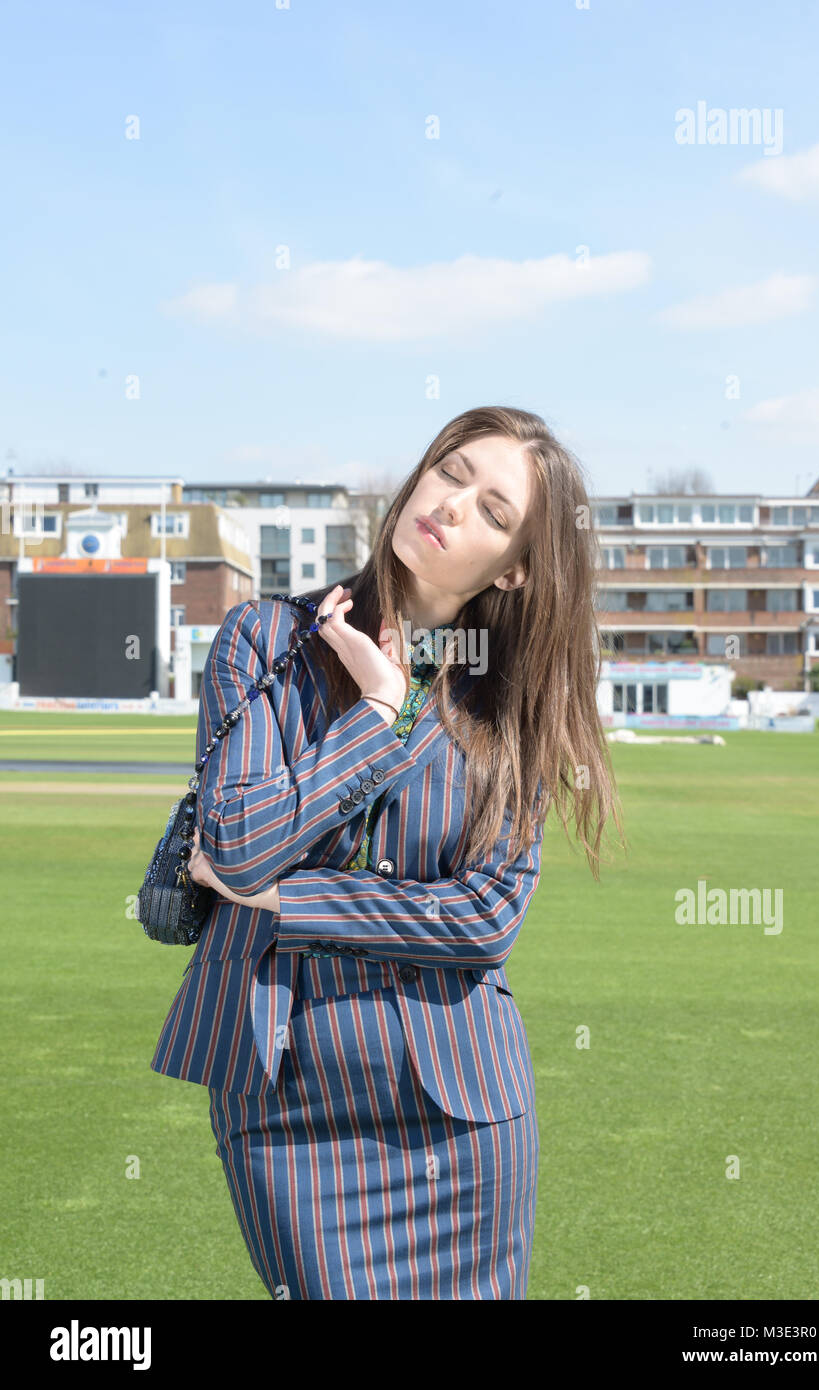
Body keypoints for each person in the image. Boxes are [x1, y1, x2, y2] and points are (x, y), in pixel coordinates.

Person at [150, 404, 620, 1299]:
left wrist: (292, 902)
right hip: (283, 1096)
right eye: (451, 472)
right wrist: (374, 710)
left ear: (516, 568)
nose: (450, 505)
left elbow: (482, 920)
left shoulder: (509, 706)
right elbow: (241, 850)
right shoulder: (265, 639)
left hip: (459, 1111)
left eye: (492, 510)